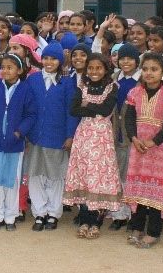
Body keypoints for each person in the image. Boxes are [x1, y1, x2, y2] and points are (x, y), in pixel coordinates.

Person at [122, 53, 163, 249]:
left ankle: (153, 232)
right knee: (138, 187)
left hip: (159, 149)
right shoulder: (134, 93)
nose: (148, 73)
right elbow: (128, 119)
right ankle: (137, 227)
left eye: (154, 69)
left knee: (155, 191)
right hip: (138, 147)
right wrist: (134, 138)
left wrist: (153, 142)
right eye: (145, 69)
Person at [63, 53, 122, 240]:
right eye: (90, 68)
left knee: (99, 177)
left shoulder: (112, 87)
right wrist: (91, 107)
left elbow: (106, 110)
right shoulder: (82, 86)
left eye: (98, 68)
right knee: (83, 175)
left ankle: (96, 221)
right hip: (83, 136)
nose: (94, 71)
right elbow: (73, 110)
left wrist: (87, 105)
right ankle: (84, 220)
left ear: (105, 69)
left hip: (102, 137)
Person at [0, 54, 37, 231]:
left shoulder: (25, 89)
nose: (5, 70)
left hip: (15, 143)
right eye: (3, 67)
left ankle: (10, 217)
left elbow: (31, 114)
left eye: (10, 67)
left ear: (19, 71)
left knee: (12, 180)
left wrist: (19, 132)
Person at [24, 42, 77, 231]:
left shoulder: (67, 83)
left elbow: (71, 112)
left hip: (57, 136)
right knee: (36, 175)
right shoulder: (33, 80)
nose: (49, 62)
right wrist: (26, 132)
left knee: (55, 176)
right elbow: (27, 108)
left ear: (60, 61)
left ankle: (53, 213)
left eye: (53, 58)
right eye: (45, 58)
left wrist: (70, 135)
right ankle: (40, 213)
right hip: (35, 136)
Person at [108, 44, 140, 231]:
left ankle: (133, 213)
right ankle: (119, 214)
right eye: (122, 58)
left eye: (130, 58)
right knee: (117, 174)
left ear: (137, 60)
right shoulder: (113, 79)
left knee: (131, 174)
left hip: (132, 135)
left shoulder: (141, 81)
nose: (125, 62)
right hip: (114, 133)